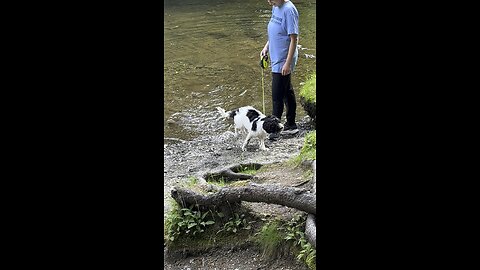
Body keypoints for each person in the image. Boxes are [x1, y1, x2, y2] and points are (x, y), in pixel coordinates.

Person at [260, 0, 299, 139]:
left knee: (277, 96)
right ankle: (291, 125)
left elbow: (294, 39)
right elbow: (274, 31)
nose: (269, 1)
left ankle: (274, 131)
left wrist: (287, 64)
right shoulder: (276, 7)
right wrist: (266, 47)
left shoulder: (289, 10)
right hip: (276, 57)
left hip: (283, 59)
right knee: (286, 91)